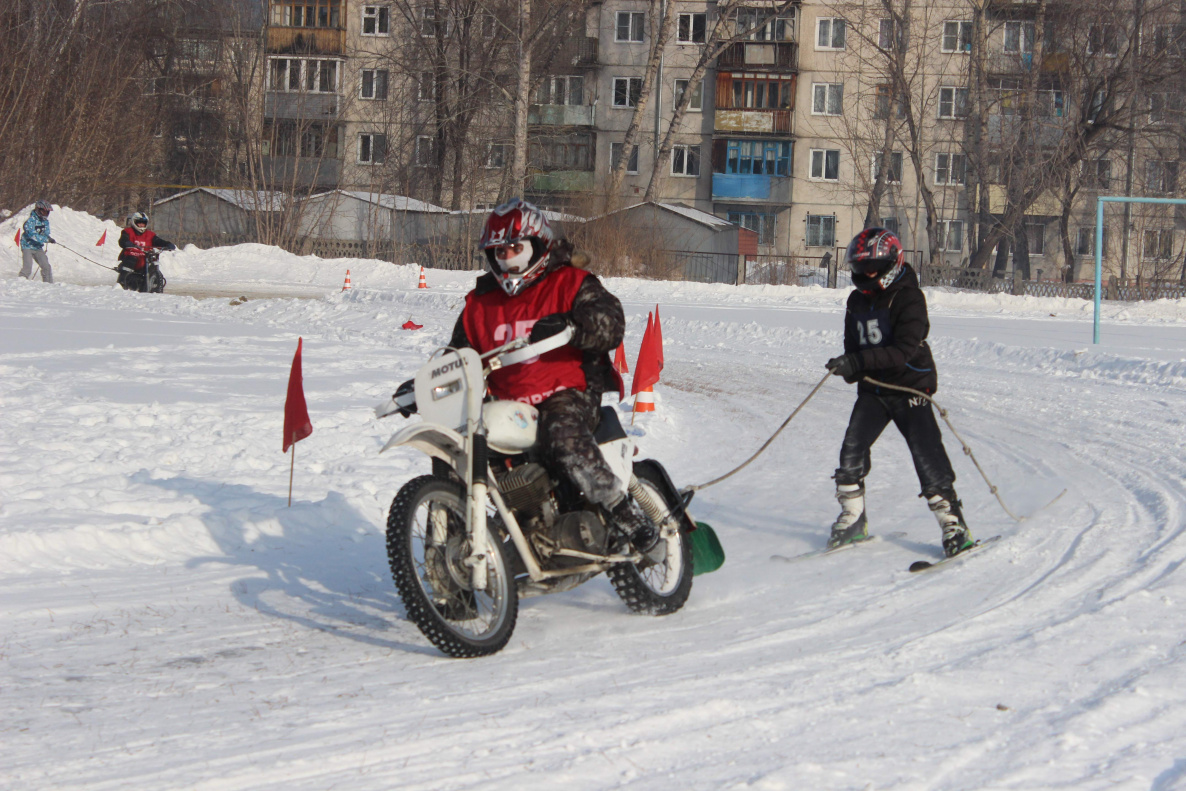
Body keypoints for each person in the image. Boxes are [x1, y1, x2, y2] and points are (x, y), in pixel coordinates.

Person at [410, 198, 657, 551]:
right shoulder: (480, 304)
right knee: (453, 448)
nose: (508, 257)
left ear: (537, 244)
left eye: (515, 247)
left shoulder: (571, 282)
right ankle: (453, 554)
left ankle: (623, 510)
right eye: (499, 250)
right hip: (508, 404)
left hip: (568, 390)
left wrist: (574, 324)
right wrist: (423, 384)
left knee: (560, 430)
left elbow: (611, 322)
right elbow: (458, 356)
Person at [824, 227, 974, 558]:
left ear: (891, 264)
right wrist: (848, 366)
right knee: (851, 451)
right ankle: (852, 518)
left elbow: (903, 351)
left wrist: (858, 361)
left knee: (926, 453)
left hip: (910, 387)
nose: (865, 274)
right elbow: (854, 345)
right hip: (874, 390)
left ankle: (954, 524)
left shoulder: (910, 298)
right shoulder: (856, 301)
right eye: (860, 268)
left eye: (872, 268)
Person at [117, 211, 175, 291]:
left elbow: (158, 241)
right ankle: (122, 282)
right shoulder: (128, 232)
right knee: (132, 258)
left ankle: (155, 282)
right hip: (131, 257)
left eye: (143, 223)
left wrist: (167, 244)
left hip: (145, 257)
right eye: (139, 223)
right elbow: (122, 240)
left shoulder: (150, 234)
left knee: (153, 259)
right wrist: (127, 243)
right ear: (134, 222)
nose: (141, 225)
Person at [18, 200, 55, 283]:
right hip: (27, 246)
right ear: (38, 210)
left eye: (47, 212)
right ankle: (19, 284)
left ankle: (49, 285)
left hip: (38, 247)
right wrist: (45, 239)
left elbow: (45, 233)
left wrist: (49, 238)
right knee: (27, 268)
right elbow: (32, 235)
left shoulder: (45, 222)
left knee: (46, 267)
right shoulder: (30, 221)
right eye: (44, 212)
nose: (45, 214)